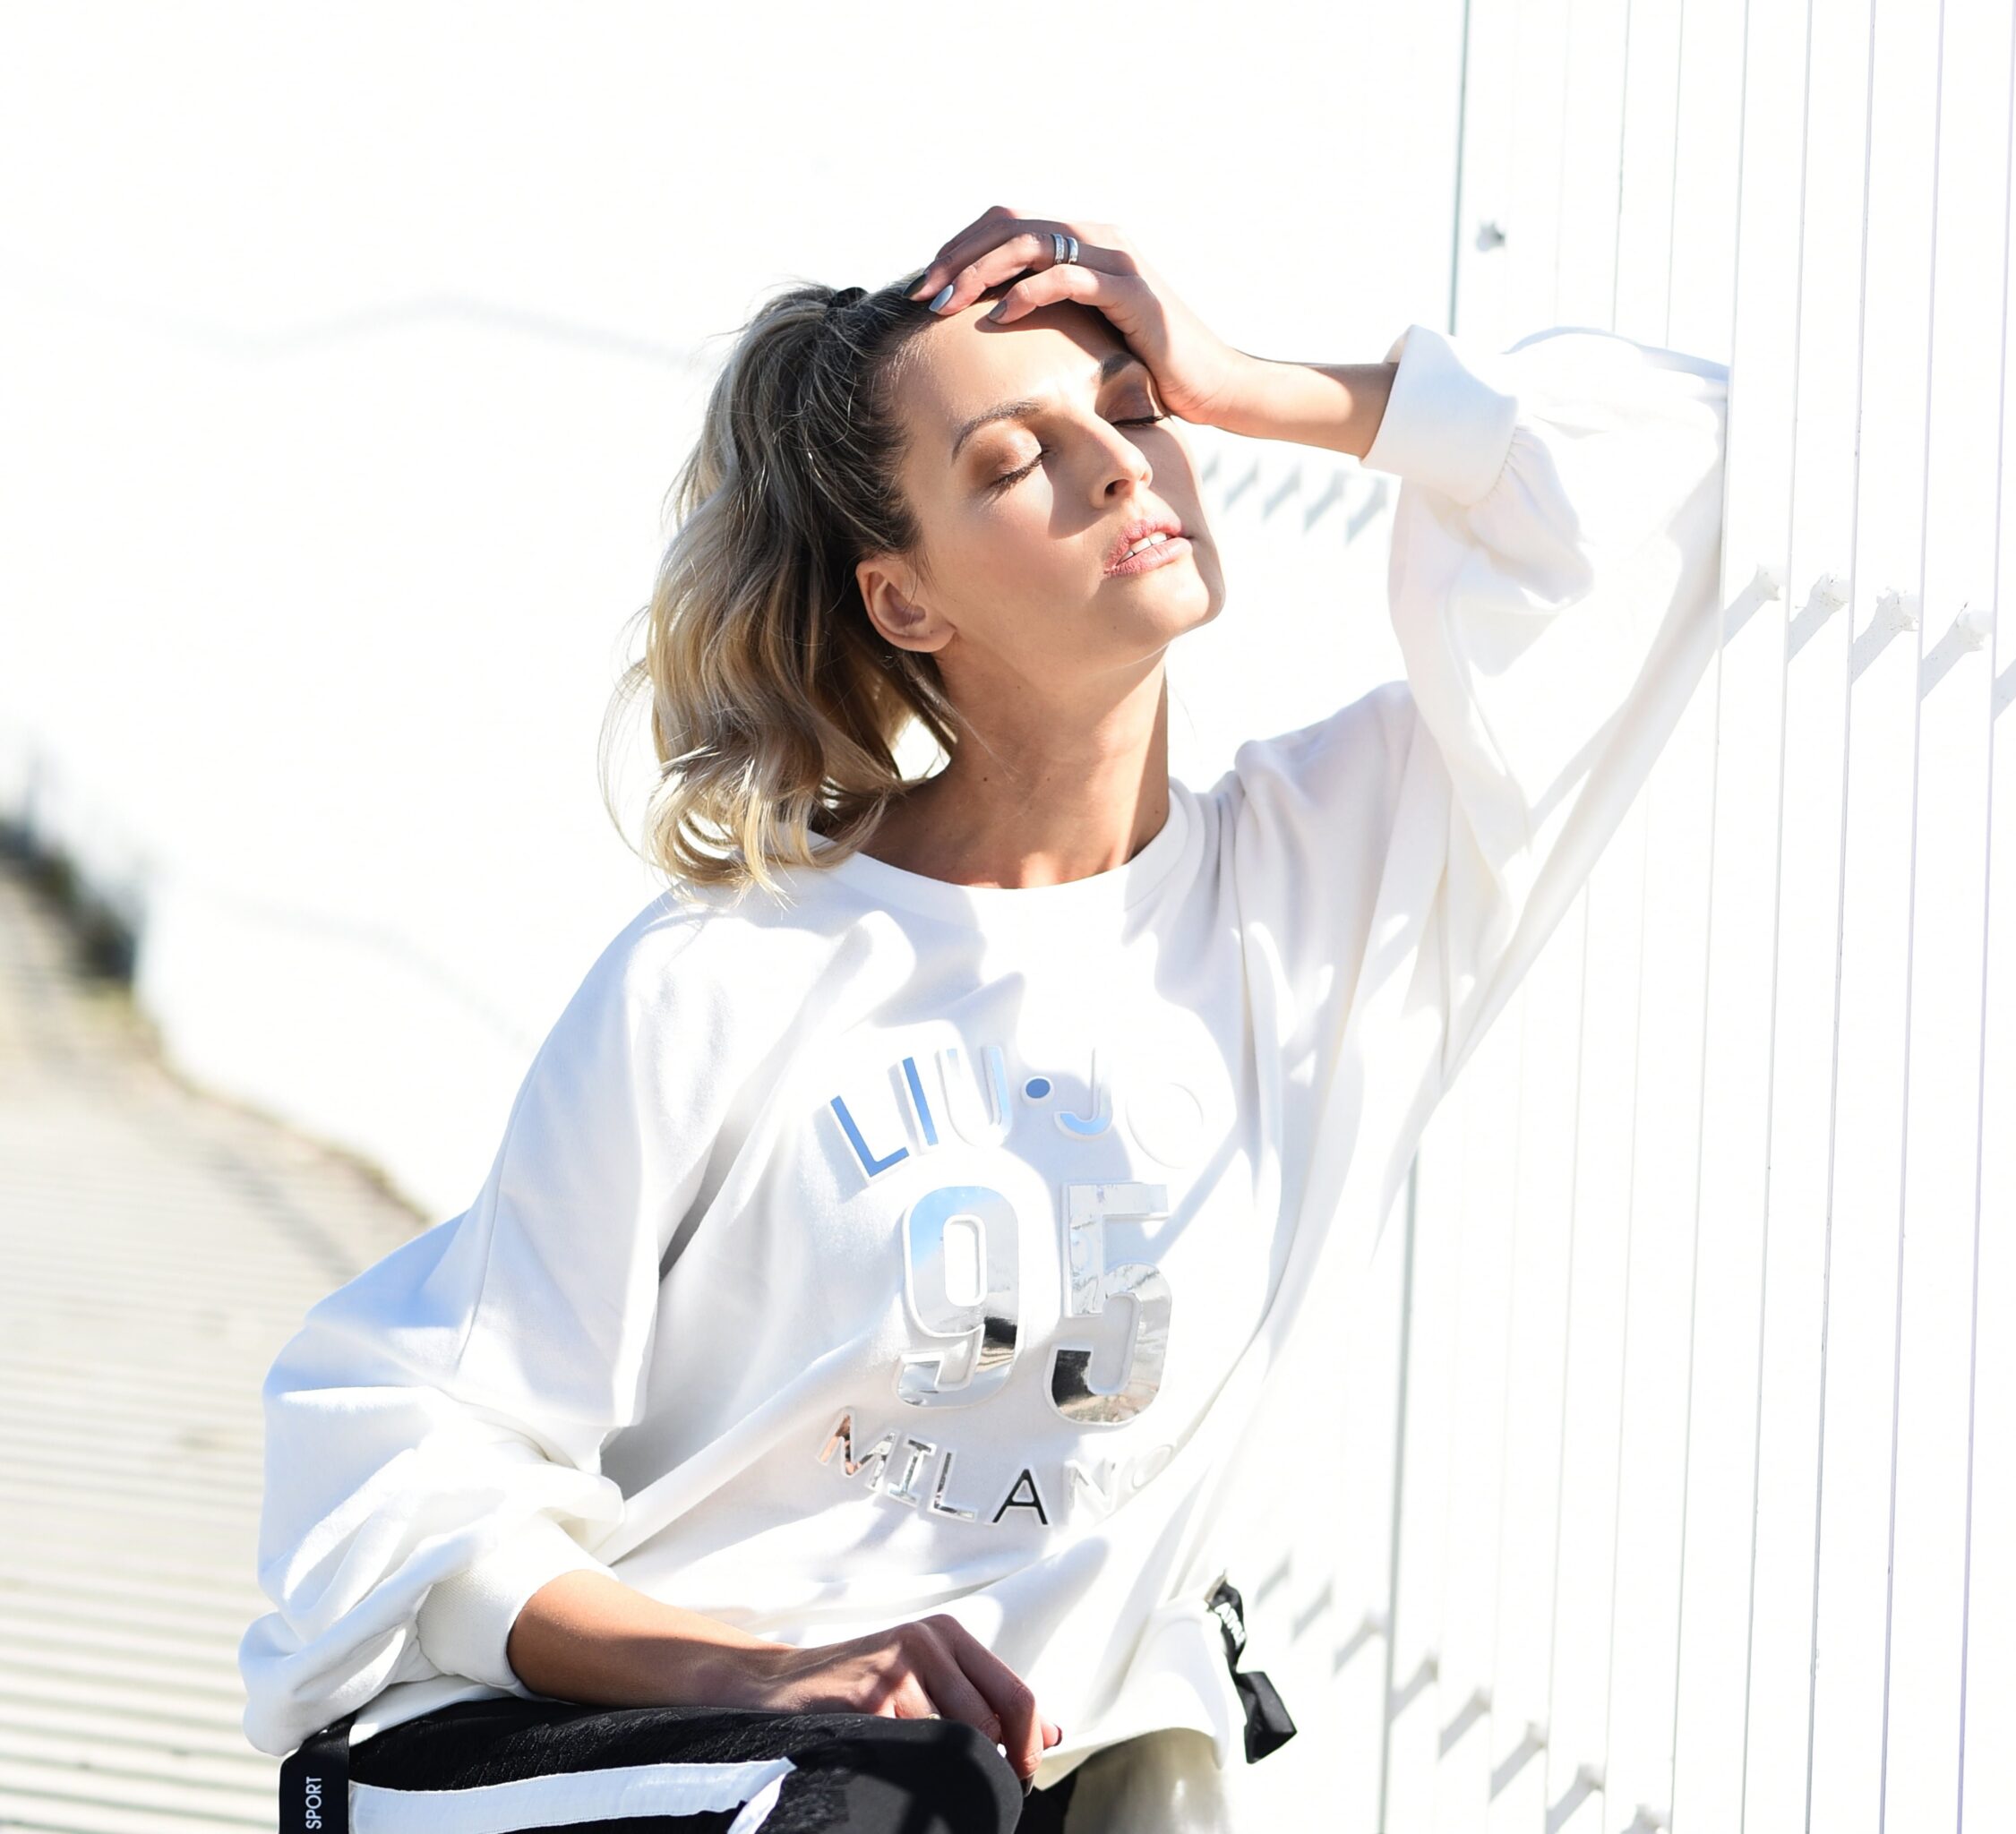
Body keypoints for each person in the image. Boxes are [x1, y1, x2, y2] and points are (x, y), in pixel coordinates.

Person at [238, 205, 1729, 1834]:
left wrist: (1250, 381)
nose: (1118, 467)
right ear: (904, 602)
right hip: (652, 1769)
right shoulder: (730, 974)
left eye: (1137, 409)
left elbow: (1679, 461)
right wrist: (760, 1671)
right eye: (1018, 459)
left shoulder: (1333, 891)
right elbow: (403, 1450)